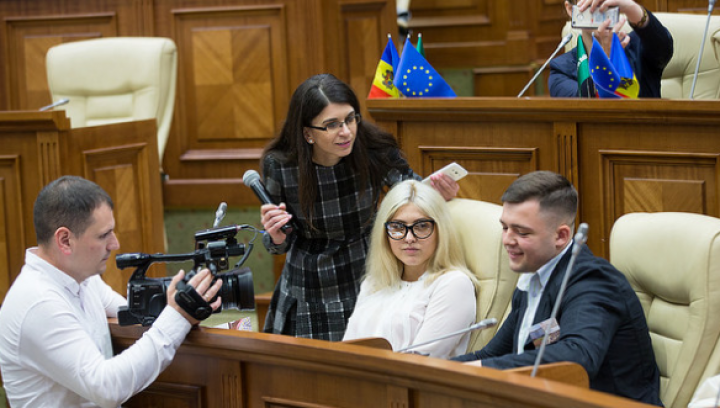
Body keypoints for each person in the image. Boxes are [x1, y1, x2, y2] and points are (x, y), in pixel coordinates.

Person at [259, 73, 458, 341]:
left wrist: (437, 194)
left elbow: (412, 193)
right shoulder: (281, 165)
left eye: (350, 119)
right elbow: (277, 242)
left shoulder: (375, 149)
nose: (346, 132)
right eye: (331, 125)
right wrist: (276, 236)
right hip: (310, 281)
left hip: (367, 268)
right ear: (307, 133)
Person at [0, 176, 222, 408]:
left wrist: (181, 303)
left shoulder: (83, 280)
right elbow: (106, 387)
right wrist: (177, 317)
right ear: (65, 240)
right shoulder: (38, 302)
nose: (115, 244)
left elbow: (135, 314)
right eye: (104, 235)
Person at [451, 171, 662, 406]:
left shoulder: (594, 282)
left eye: (521, 232)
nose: (507, 240)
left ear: (561, 236)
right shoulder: (532, 276)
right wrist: (435, 369)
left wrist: (477, 369)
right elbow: (494, 355)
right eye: (504, 228)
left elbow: (576, 358)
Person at [343, 180, 477, 359]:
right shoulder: (374, 282)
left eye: (421, 226)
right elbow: (346, 350)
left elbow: (419, 362)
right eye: (398, 227)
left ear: (441, 230)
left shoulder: (453, 284)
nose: (409, 238)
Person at [548, 0, 673, 98]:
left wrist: (631, 8)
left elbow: (664, 48)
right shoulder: (560, 69)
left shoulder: (639, 45)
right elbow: (583, 107)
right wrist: (605, 58)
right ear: (571, 9)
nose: (598, 5)